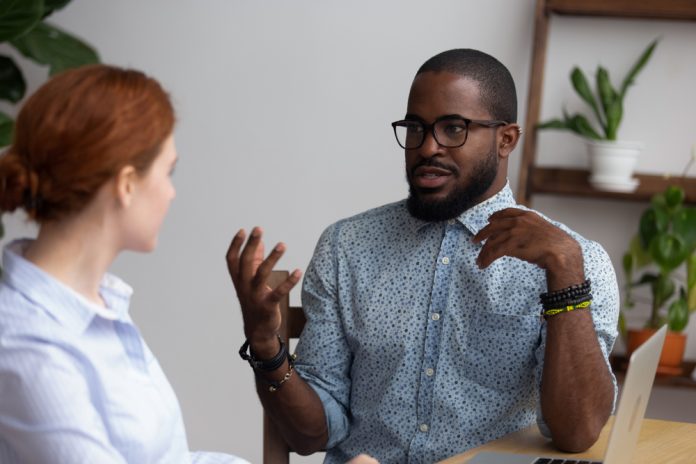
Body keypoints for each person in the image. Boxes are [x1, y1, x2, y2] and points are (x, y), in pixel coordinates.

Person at [227, 48, 619, 464]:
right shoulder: (347, 247)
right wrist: (266, 347)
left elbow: (577, 434)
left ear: (506, 139)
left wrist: (566, 276)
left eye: (454, 128)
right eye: (416, 128)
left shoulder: (574, 261)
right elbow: (310, 436)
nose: (428, 147)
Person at [0, 65, 248, 463]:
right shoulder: (26, 344)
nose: (171, 193)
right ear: (127, 183)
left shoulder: (98, 305)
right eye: (168, 172)